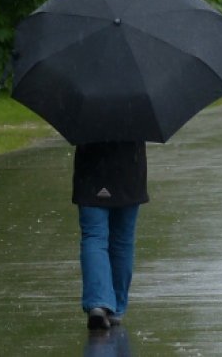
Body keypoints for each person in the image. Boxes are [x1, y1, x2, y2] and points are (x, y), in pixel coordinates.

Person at [72, 141, 149, 330]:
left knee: (94, 237)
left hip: (91, 167)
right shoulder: (136, 119)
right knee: (122, 240)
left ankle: (98, 302)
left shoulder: (86, 120)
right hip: (129, 167)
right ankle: (116, 308)